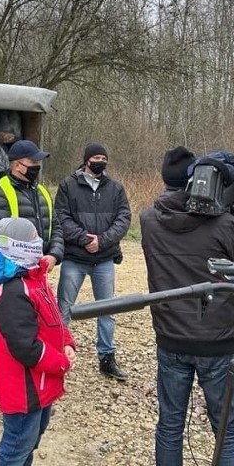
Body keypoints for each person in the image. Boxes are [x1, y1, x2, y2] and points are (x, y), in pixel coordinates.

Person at [140, 145, 234, 466]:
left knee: (170, 424)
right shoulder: (226, 225)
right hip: (216, 340)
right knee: (227, 428)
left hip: (170, 336)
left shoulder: (148, 220)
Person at [0, 139, 64, 431]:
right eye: (33, 163)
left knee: (33, 333)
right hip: (10, 276)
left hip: (38, 273)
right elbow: (2, 235)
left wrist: (53, 253)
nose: (37, 168)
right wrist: (31, 259)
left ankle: (30, 390)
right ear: (17, 165)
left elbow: (56, 227)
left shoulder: (41, 192)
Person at [0, 217, 75, 466]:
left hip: (41, 383)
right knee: (17, 447)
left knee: (31, 440)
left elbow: (54, 318)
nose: (39, 242)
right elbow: (26, 347)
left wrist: (67, 342)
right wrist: (61, 363)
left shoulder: (35, 279)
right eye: (34, 237)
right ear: (18, 246)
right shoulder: (12, 292)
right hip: (24, 389)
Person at [54, 142, 131, 380]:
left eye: (104, 157)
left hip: (105, 258)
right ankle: (57, 354)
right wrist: (84, 238)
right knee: (64, 308)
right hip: (75, 257)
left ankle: (107, 357)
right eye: (96, 157)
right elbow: (61, 217)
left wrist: (103, 240)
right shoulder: (68, 185)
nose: (101, 161)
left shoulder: (115, 188)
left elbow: (124, 217)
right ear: (87, 159)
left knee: (107, 310)